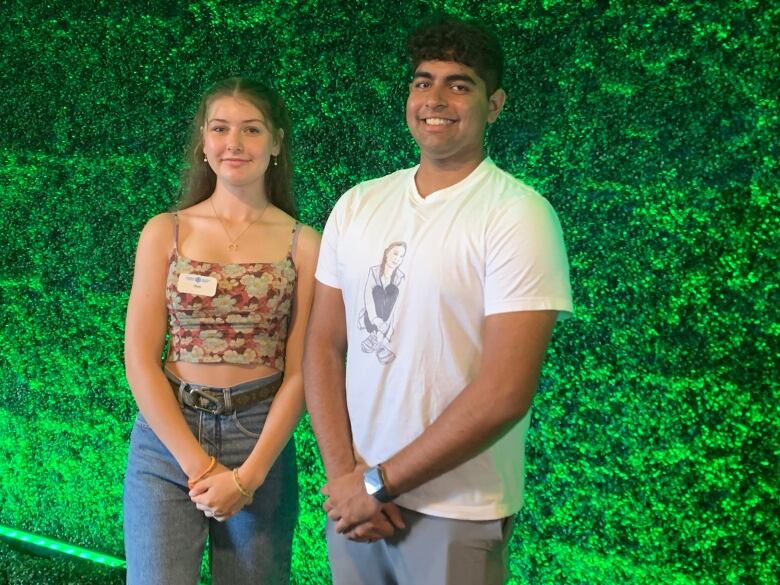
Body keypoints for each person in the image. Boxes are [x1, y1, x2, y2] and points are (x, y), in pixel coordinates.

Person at [303, 15, 573, 585]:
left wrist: (378, 484)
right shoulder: (357, 204)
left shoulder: (517, 216)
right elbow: (323, 347)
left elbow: (504, 393)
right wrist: (345, 478)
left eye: (459, 84)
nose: (436, 99)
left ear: (494, 105)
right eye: (423, 81)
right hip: (355, 507)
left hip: (456, 511)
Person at [123, 77, 319, 585]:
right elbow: (140, 358)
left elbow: (303, 370)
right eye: (220, 128)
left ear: (276, 143)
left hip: (260, 439)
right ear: (203, 142)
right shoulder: (164, 231)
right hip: (167, 441)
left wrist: (248, 477)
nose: (235, 143)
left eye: (252, 129)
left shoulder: (305, 244)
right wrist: (201, 467)